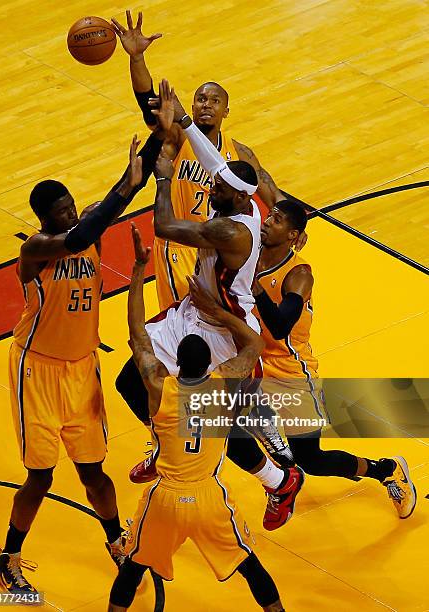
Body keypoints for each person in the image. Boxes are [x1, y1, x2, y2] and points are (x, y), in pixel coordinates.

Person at [116, 82, 304, 531]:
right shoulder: (236, 194)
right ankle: (166, 444)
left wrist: (162, 173)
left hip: (225, 332)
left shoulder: (234, 233)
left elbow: (163, 225)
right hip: (193, 314)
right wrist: (182, 122)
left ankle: (280, 481)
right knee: (130, 381)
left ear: (238, 197)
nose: (209, 186)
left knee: (214, 427)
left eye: (216, 187)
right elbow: (212, 159)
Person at [0, 130, 166, 594]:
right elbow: (85, 231)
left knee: (93, 470)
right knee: (41, 475)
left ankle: (116, 542)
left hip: (81, 367)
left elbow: (135, 176)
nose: (71, 213)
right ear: (44, 220)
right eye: (61, 212)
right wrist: (126, 189)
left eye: (72, 205)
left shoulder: (87, 227)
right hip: (38, 370)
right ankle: (7, 556)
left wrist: (160, 128)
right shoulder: (37, 249)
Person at [108, 224, 286, 612]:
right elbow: (255, 343)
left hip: (166, 497)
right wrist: (218, 311)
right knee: (251, 568)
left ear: (173, 364)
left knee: (132, 569)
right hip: (208, 496)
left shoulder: (160, 389)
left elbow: (137, 336)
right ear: (212, 363)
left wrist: (139, 269)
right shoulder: (224, 386)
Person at [111, 10, 301, 309]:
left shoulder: (240, 153)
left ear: (226, 110)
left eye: (215, 101)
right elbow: (148, 103)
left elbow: (273, 195)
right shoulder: (177, 135)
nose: (206, 105)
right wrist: (136, 58)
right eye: (201, 99)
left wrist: (298, 228)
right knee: (181, 324)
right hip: (179, 241)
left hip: (218, 246)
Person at [253, 199, 417, 519]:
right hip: (253, 364)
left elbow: (280, 324)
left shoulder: (299, 273)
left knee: (310, 460)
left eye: (277, 220)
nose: (268, 222)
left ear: (293, 234)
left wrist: (254, 287)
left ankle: (386, 470)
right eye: (268, 216)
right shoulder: (249, 252)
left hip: (291, 373)